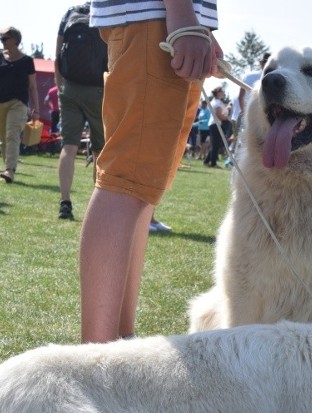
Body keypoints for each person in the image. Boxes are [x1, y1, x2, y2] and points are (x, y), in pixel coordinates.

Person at [79, 0, 220, 343]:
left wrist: (196, 21)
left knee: (140, 189)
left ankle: (117, 345)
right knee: (126, 184)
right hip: (156, 19)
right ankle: (98, 358)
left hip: (158, 20)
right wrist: (183, 15)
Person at [54, 2, 106, 220]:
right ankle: (96, 207)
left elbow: (57, 56)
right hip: (99, 89)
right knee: (99, 150)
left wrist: (60, 88)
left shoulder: (71, 13)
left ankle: (65, 202)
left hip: (70, 87)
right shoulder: (106, 12)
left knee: (69, 146)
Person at [0, 26, 39, 184]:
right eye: (0, 38)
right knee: (3, 138)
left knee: (12, 135)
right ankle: (8, 167)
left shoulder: (27, 61)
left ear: (16, 40)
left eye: (5, 38)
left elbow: (33, 87)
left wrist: (36, 110)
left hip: (18, 103)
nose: (2, 41)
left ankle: (10, 170)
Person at [236, 52, 269, 133]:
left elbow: (240, 97)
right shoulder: (250, 76)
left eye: (266, 61)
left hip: (261, 115)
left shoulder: (249, 76)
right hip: (255, 115)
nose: (265, 63)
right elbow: (240, 96)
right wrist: (245, 112)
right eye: (264, 61)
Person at [204, 86, 228, 168]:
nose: (223, 93)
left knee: (215, 144)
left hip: (214, 124)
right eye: (222, 92)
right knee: (215, 145)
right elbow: (219, 115)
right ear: (218, 93)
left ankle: (207, 161)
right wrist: (227, 118)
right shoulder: (217, 102)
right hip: (216, 124)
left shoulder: (215, 101)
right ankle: (213, 163)